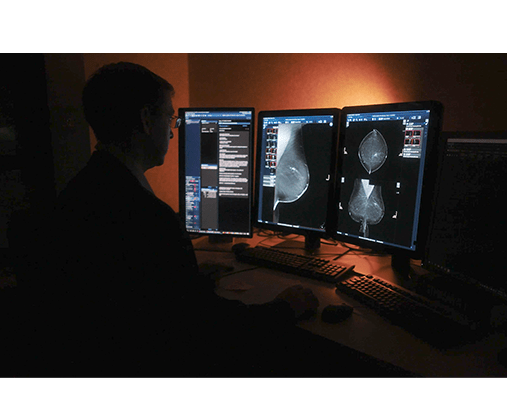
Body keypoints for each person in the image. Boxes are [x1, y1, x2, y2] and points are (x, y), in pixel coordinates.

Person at [35, 62, 318, 377]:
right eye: (169, 117)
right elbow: (204, 326)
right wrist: (283, 308)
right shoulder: (149, 217)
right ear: (145, 120)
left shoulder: (80, 190)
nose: (172, 130)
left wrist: (190, 278)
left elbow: (141, 296)